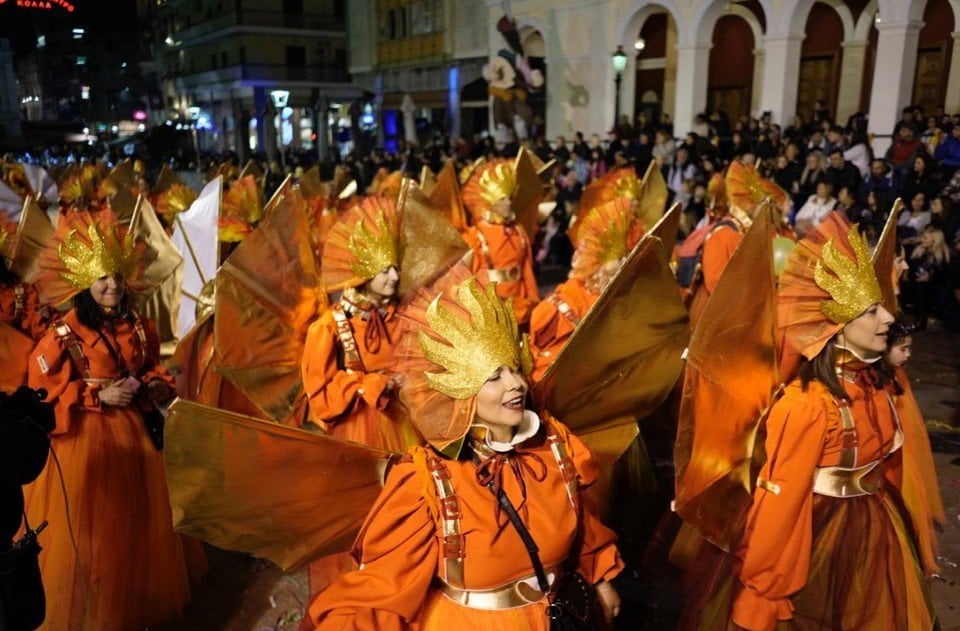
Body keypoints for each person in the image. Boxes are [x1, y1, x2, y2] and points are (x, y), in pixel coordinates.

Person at [308, 274, 624, 629]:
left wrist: (601, 577)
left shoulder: (553, 446)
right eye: (493, 378)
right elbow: (382, 589)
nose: (516, 384)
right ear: (460, 392)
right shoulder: (427, 482)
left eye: (515, 370)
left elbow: (583, 522)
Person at [685, 214, 937, 630]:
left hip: (876, 531)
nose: (888, 319)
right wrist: (762, 596)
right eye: (871, 312)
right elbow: (780, 510)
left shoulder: (874, 384)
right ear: (836, 329)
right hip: (817, 541)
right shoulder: (807, 406)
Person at [24, 212, 192, 630]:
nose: (112, 285)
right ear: (83, 281)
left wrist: (155, 385)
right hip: (87, 442)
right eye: (101, 278)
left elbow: (150, 366)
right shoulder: (63, 333)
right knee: (93, 537)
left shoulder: (135, 322)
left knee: (137, 531)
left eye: (116, 275)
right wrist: (94, 394)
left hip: (135, 435)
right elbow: (39, 394)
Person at [530, 198, 641, 381]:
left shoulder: (624, 297)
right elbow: (546, 375)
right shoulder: (562, 306)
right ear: (599, 262)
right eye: (620, 258)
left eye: (627, 257)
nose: (625, 265)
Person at [461, 160, 541, 324]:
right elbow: (473, 280)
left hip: (519, 304)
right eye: (502, 199)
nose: (509, 203)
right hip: (492, 308)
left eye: (510, 197)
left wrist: (532, 302)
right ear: (490, 202)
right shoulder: (476, 236)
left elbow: (526, 270)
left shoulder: (518, 231)